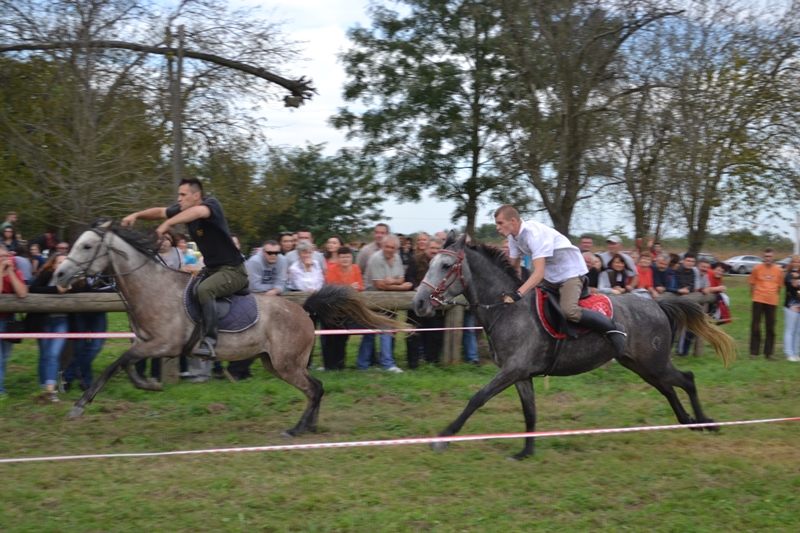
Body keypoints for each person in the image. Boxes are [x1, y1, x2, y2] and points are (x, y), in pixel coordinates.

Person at [121, 177, 247, 359]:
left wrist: (168, 224)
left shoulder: (211, 206)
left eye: (183, 194)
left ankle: (210, 343)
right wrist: (136, 215)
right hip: (212, 270)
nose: (179, 199)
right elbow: (160, 211)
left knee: (206, 289)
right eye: (178, 195)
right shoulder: (183, 209)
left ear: (196, 195)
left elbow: (198, 212)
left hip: (233, 271)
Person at [494, 204, 626, 357]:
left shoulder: (534, 235)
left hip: (570, 271)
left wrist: (518, 293)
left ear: (513, 221)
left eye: (500, 223)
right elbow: (513, 267)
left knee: (568, 310)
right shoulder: (514, 237)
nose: (497, 227)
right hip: (550, 274)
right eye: (497, 224)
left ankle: (613, 329)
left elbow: (538, 273)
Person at [359, 234, 409, 373]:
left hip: (387, 300)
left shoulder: (397, 257)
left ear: (396, 248)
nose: (389, 249)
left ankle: (363, 364)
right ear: (382, 246)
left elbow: (401, 278)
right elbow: (380, 285)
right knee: (377, 331)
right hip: (372, 299)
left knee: (377, 331)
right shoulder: (376, 258)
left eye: (392, 247)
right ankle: (385, 364)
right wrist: (401, 287)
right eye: (387, 246)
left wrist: (393, 281)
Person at [28, 253, 73, 402]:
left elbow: (83, 291)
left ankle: (50, 390)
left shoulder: (73, 277)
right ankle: (43, 387)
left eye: (66, 262)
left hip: (62, 321)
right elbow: (33, 288)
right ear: (53, 265)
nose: (63, 265)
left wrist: (69, 289)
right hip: (44, 321)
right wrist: (56, 290)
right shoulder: (46, 275)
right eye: (60, 262)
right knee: (45, 355)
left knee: (53, 354)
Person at [323, 246, 364, 370]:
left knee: (343, 338)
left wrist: (351, 288)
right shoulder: (332, 269)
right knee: (330, 339)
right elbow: (332, 287)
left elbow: (360, 286)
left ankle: (340, 365)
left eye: (347, 256)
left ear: (352, 257)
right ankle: (329, 366)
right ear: (338, 258)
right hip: (332, 309)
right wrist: (349, 287)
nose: (345, 259)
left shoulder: (356, 268)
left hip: (347, 309)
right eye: (342, 257)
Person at [0, 243, 28, 398]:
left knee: (4, 357)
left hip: (8, 320)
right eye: (1, 257)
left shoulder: (16, 272)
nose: (4, 259)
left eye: (6, 255)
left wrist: (9, 272)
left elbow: (22, 293)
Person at [747, 248, 783, 361]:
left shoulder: (778, 270)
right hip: (758, 299)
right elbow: (752, 284)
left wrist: (772, 295)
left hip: (772, 301)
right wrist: (756, 296)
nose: (768, 258)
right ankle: (754, 352)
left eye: (770, 256)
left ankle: (769, 353)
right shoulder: (757, 268)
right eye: (766, 256)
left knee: (770, 327)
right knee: (756, 326)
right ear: (763, 257)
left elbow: (779, 287)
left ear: (774, 257)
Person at [782, 256, 800, 362]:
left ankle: (795, 352)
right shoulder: (789, 276)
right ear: (791, 263)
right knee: (790, 330)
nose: (796, 263)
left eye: (798, 262)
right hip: (791, 306)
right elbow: (792, 290)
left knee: (798, 331)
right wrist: (795, 279)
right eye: (794, 262)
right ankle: (789, 353)